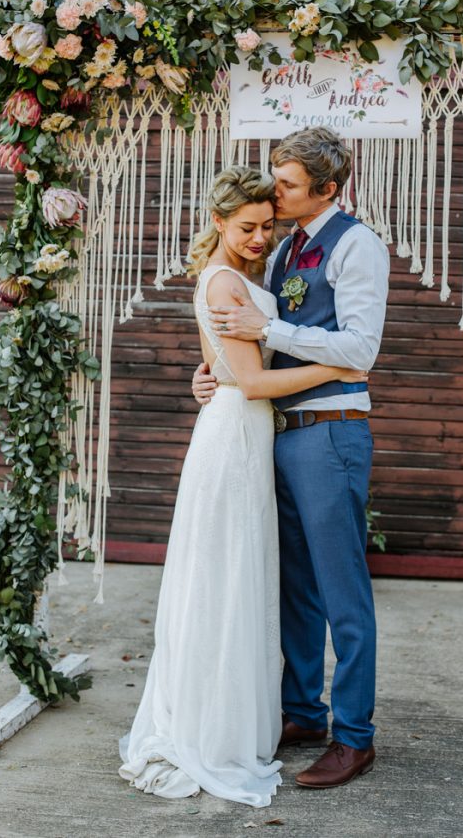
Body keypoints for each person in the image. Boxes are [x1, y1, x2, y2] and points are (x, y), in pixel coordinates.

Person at [118, 166, 367, 807]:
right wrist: (332, 363)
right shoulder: (231, 278)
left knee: (255, 578)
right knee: (231, 578)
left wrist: (216, 375)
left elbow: (231, 364)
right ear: (219, 222)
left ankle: (335, 728)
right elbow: (251, 380)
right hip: (242, 433)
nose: (262, 235)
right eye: (249, 226)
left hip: (258, 433)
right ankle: (237, 717)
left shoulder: (270, 266)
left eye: (268, 223)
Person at [192, 128, 390, 789]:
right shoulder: (284, 251)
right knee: (296, 587)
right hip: (277, 430)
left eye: (288, 185)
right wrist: (215, 372)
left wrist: (266, 332)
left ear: (329, 189)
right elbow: (260, 351)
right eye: (276, 180)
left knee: (341, 591)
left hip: (330, 434)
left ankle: (355, 737)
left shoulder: (356, 244)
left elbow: (359, 348)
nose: (275, 194)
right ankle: (303, 710)